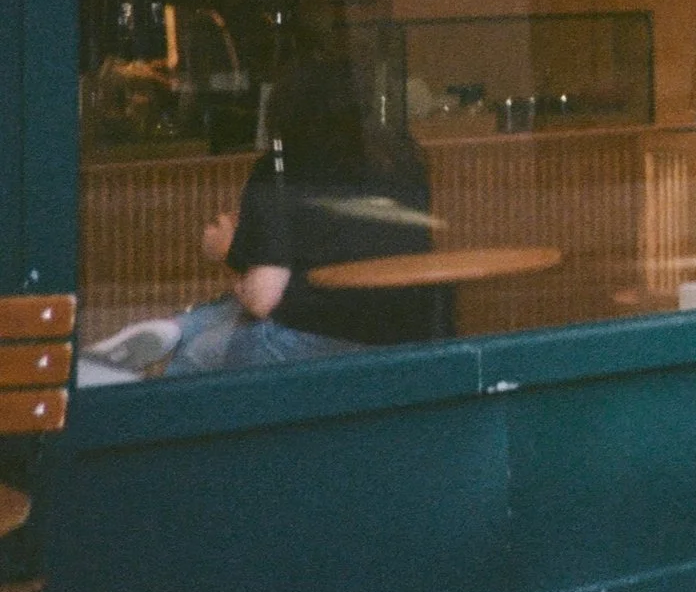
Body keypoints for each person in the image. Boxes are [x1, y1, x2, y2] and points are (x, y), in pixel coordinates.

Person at [90, 56, 444, 377]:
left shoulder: (280, 167)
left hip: (323, 342)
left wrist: (229, 248)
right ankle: (176, 326)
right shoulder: (401, 162)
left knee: (198, 354)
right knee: (232, 310)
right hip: (412, 336)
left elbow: (264, 299)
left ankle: (171, 346)